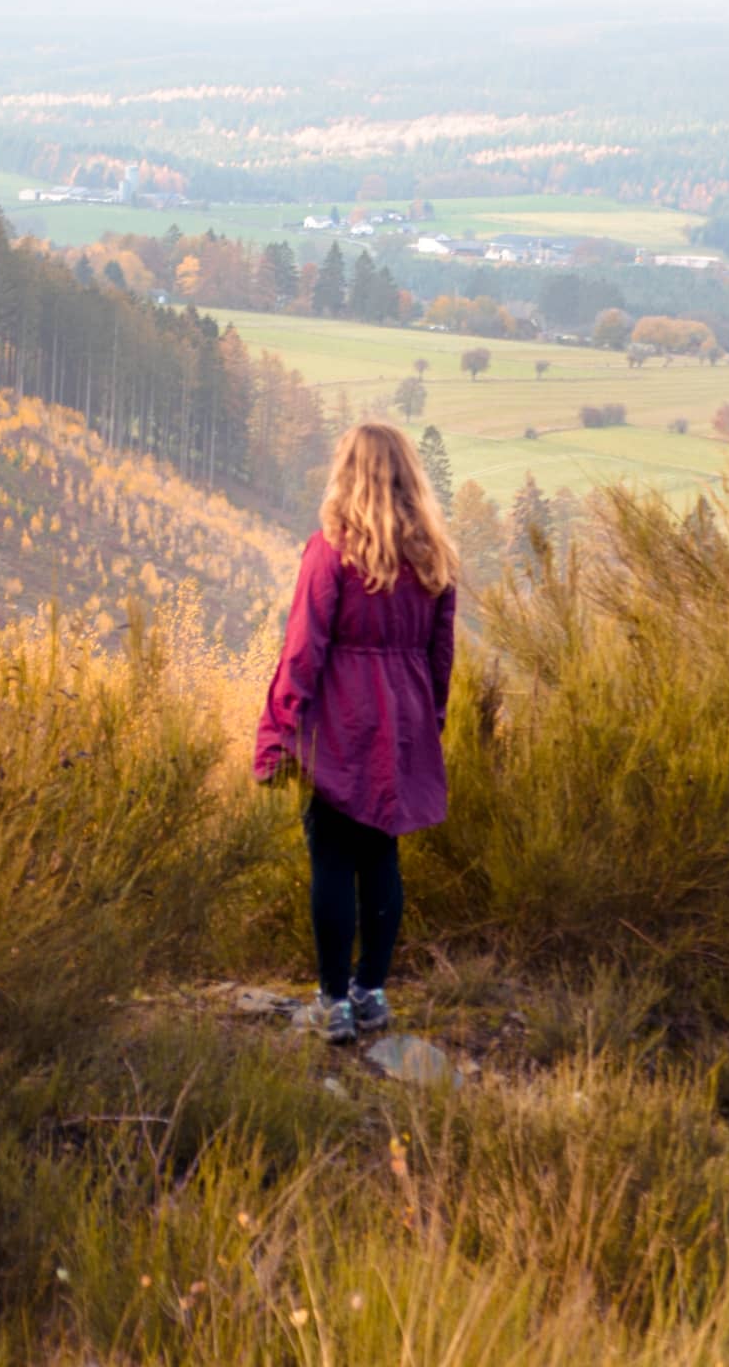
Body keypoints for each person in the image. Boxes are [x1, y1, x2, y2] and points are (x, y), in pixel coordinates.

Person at [254, 421, 459, 1045]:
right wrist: (431, 720)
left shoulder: (331, 550)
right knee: (381, 853)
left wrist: (281, 725)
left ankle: (332, 1002)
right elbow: (441, 652)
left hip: (342, 721)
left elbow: (303, 647)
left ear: (349, 474)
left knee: (333, 856)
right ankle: (371, 994)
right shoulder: (434, 558)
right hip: (402, 719)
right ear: (407, 476)